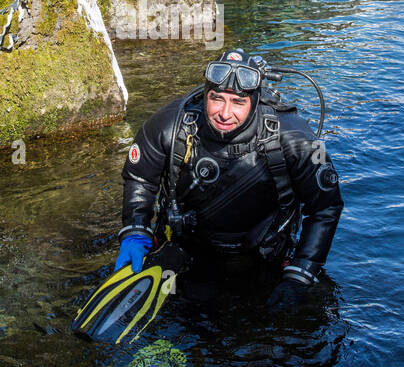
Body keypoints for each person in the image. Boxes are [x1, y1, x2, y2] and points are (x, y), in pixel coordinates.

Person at [115, 49, 343, 311]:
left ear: (255, 101)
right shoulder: (170, 125)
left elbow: (325, 206)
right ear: (204, 96)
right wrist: (135, 229)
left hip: (264, 256)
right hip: (186, 248)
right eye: (216, 99)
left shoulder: (295, 138)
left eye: (238, 102)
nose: (224, 113)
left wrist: (301, 271)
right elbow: (140, 178)